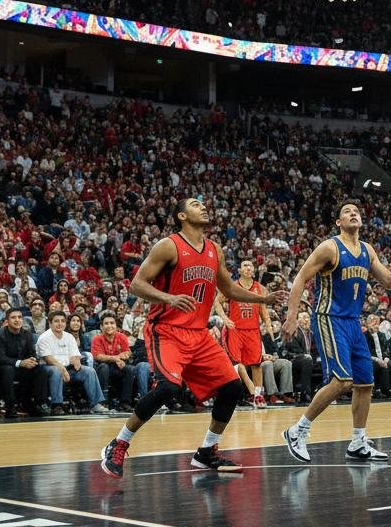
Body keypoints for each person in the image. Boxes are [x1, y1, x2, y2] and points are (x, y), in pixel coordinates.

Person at [99, 197, 281, 479]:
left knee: (232, 387)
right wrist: (168, 298)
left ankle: (206, 452)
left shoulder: (214, 250)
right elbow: (136, 284)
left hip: (199, 334)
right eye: (196, 204)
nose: (204, 207)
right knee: (168, 388)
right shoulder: (169, 245)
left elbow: (229, 289)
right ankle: (119, 442)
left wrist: (262, 299)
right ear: (181, 216)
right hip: (166, 330)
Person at [282, 200, 391, 463]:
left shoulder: (367, 250)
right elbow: (300, 278)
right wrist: (291, 316)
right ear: (338, 222)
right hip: (329, 318)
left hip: (354, 322)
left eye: (356, 211)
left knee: (365, 383)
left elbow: (389, 281)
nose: (353, 213)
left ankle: (358, 442)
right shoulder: (329, 247)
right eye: (347, 211)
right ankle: (297, 431)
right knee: (342, 381)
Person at [213, 259, 274, 409]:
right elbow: (216, 302)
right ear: (239, 270)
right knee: (236, 363)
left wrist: (268, 325)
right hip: (236, 330)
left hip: (253, 331)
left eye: (250, 265)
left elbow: (263, 310)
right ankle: (236, 394)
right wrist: (225, 318)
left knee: (256, 364)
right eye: (245, 265)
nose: (248, 268)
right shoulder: (232, 286)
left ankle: (257, 396)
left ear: (254, 270)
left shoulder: (260, 288)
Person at [36, 311, 109, 414]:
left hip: (68, 368)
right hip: (49, 369)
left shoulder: (69, 337)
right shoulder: (44, 337)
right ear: (50, 323)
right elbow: (48, 359)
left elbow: (75, 355)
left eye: (62, 321)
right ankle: (57, 405)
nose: (60, 324)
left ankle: (95, 404)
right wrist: (63, 369)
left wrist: (76, 363)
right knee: (56, 371)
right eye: (56, 321)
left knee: (89, 371)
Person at [0, 307, 50, 417]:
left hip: (21, 367)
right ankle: (10, 407)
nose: (17, 320)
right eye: (13, 317)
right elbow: (0, 358)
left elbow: (32, 353)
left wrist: (32, 360)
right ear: (7, 321)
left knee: (40, 370)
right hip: (2, 368)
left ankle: (38, 404)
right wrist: (21, 363)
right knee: (8, 370)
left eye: (19, 317)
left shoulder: (27, 334)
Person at [91, 312, 147, 411]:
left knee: (130, 369)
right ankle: (103, 401)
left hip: (117, 366)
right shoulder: (97, 339)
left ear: (116, 326)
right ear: (101, 326)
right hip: (101, 367)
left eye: (112, 323)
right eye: (106, 323)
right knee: (104, 367)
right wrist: (116, 358)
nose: (109, 326)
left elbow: (127, 352)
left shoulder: (122, 337)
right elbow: (98, 356)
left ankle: (125, 402)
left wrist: (122, 357)